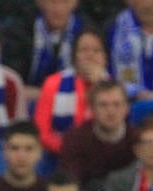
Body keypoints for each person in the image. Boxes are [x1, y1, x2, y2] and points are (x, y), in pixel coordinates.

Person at [58, 80, 136, 191]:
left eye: (117, 104)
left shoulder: (137, 139)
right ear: (92, 108)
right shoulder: (75, 138)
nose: (111, 111)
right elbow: (70, 183)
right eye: (103, 105)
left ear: (126, 108)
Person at [34, 30, 109, 158]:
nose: (90, 55)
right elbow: (41, 132)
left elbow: (113, 128)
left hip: (102, 156)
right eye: (84, 50)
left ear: (105, 58)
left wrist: (99, 87)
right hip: (59, 155)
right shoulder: (53, 83)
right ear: (74, 56)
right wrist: (69, 149)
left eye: (96, 51)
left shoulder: (113, 88)